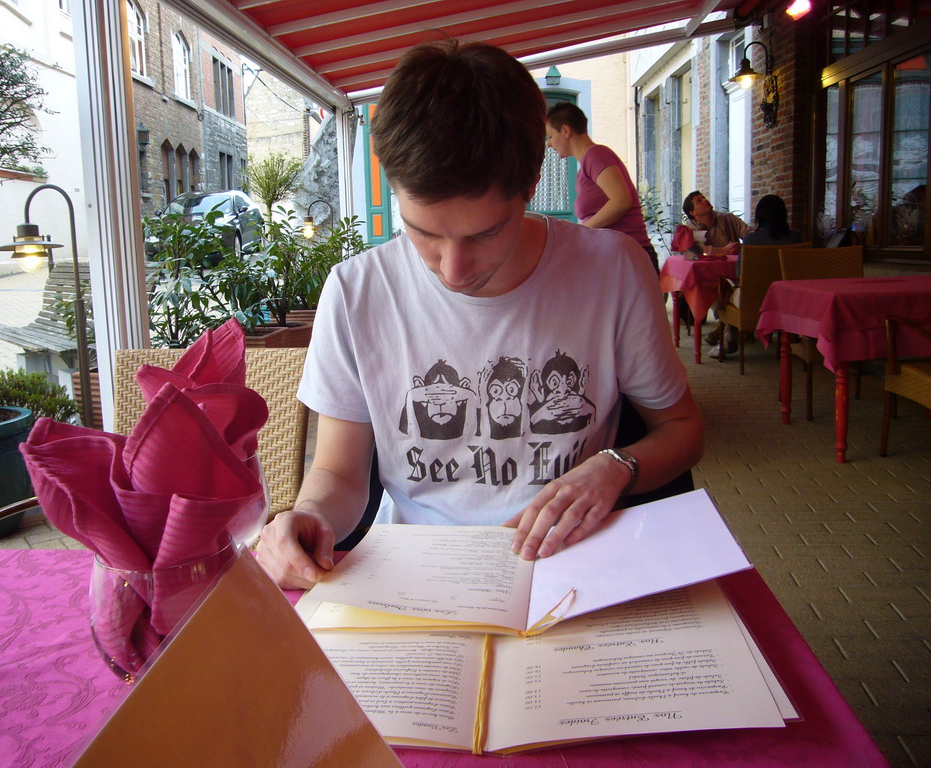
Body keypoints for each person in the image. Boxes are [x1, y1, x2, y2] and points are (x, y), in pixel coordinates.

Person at [256, 40, 704, 590]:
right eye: (423, 233)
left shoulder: (613, 271)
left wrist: (618, 467)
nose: (453, 270)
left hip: (579, 567)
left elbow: (682, 430)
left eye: (486, 234)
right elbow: (338, 474)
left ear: (533, 184)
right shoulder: (356, 292)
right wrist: (311, 518)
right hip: (420, 575)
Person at [545, 102, 657, 272]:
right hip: (616, 257)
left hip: (629, 258)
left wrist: (579, 232)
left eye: (550, 136)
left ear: (566, 131)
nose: (549, 144)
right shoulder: (587, 164)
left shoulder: (596, 155)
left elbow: (621, 201)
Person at [680, 191, 752, 355]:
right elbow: (692, 253)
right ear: (692, 212)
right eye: (699, 201)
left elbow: (750, 236)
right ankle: (728, 328)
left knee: (730, 288)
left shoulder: (728, 219)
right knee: (712, 286)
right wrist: (722, 250)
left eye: (704, 197)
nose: (705, 200)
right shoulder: (689, 229)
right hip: (711, 278)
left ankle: (726, 329)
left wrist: (742, 246)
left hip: (736, 275)